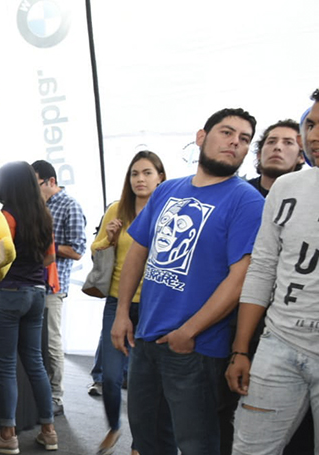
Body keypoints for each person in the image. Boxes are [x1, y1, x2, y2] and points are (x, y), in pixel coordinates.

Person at [111, 108, 264, 455]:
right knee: (148, 440)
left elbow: (241, 277)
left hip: (196, 348)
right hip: (146, 340)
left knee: (197, 445)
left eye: (243, 139)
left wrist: (189, 332)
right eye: (226, 133)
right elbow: (138, 250)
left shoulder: (247, 200)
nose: (234, 143)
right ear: (201, 137)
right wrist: (123, 313)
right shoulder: (167, 191)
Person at [226, 90, 319, 454]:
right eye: (310, 124)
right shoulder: (288, 187)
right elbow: (263, 268)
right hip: (278, 344)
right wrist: (241, 349)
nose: (313, 136)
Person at [90, 151, 174, 455]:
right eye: (135, 173)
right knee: (111, 377)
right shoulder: (117, 208)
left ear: (160, 177)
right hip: (117, 303)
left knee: (144, 385)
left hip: (154, 306)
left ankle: (141, 444)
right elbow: (95, 250)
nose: (140, 179)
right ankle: (114, 427)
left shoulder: (169, 211)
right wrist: (109, 238)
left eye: (147, 173)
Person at [0, 161, 58, 453]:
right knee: (36, 364)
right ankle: (49, 431)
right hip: (37, 293)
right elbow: (49, 260)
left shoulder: (5, 217)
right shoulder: (44, 216)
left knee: (6, 368)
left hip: (8, 294)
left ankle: (7, 434)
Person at [31, 159, 87, 416]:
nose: (34, 189)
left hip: (54, 285)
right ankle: (37, 396)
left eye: (37, 184)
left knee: (51, 342)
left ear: (51, 182)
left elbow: (77, 250)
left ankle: (56, 397)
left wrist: (46, 245)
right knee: (33, 344)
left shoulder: (70, 205)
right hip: (30, 282)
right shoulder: (34, 206)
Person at [246, 119, 303, 197]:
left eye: (288, 143)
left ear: (301, 157)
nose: (277, 147)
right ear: (259, 154)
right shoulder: (239, 193)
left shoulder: (310, 197)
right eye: (271, 142)